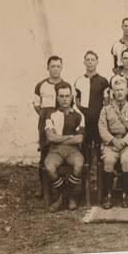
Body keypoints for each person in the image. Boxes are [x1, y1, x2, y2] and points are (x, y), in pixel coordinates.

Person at [98, 77, 128, 209]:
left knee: (126, 159)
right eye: (116, 90)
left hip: (127, 144)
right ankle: (108, 195)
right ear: (112, 92)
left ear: (127, 91)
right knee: (109, 160)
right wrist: (113, 141)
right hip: (111, 143)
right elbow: (102, 128)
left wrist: (124, 142)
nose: (119, 92)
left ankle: (125, 195)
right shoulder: (106, 109)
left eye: (122, 89)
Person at [43, 82, 85, 212]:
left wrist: (59, 138)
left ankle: (62, 197)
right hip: (55, 151)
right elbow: (50, 137)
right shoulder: (50, 114)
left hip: (73, 150)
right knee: (49, 166)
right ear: (57, 97)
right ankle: (68, 196)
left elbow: (79, 138)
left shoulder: (79, 115)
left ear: (72, 97)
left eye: (67, 96)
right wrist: (69, 137)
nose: (65, 99)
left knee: (79, 164)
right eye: (61, 96)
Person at [32, 56, 71, 198]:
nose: (55, 69)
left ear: (61, 68)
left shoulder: (66, 85)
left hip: (61, 121)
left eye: (58, 66)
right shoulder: (40, 85)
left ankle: (61, 187)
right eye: (52, 66)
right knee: (45, 152)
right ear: (48, 68)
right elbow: (36, 104)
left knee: (61, 150)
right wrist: (45, 115)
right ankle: (43, 187)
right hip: (45, 123)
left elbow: (68, 105)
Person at [74, 51, 109, 162]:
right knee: (85, 146)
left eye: (92, 60)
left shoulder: (103, 81)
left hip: (99, 118)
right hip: (85, 119)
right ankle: (85, 175)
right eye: (88, 60)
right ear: (84, 62)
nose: (90, 62)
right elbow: (77, 101)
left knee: (99, 146)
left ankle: (100, 175)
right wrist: (83, 114)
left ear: (97, 62)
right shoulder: (79, 81)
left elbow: (107, 101)